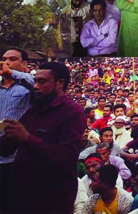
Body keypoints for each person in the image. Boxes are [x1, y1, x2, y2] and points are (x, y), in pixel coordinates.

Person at [0, 62, 86, 213]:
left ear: (60, 83)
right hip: (21, 196)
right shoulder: (34, 111)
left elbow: (67, 156)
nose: (35, 86)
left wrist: (27, 138)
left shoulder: (72, 112)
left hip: (51, 200)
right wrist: (8, 135)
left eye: (42, 81)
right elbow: (8, 148)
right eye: (35, 81)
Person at [0, 48, 33, 212]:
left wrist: (12, 73)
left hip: (17, 158)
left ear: (24, 64)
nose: (6, 62)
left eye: (12, 59)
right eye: (4, 59)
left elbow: (34, 82)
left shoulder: (28, 87)